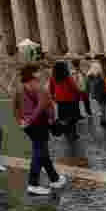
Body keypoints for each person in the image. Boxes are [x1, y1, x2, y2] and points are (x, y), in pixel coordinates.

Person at [14, 64, 66, 196]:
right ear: (33, 74)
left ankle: (55, 179)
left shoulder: (20, 87)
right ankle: (33, 184)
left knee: (42, 152)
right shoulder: (39, 87)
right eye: (38, 71)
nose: (41, 73)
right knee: (39, 153)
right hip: (39, 124)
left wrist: (20, 121)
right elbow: (41, 107)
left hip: (27, 125)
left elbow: (15, 105)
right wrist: (35, 120)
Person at [49, 61, 82, 141]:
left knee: (63, 118)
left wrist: (53, 97)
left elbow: (51, 88)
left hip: (60, 101)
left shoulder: (53, 77)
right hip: (70, 100)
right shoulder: (67, 77)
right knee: (72, 118)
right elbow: (74, 87)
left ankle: (67, 133)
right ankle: (73, 134)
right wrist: (78, 93)